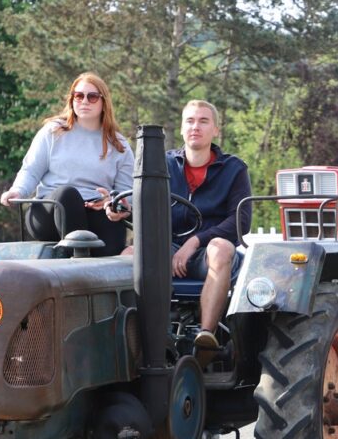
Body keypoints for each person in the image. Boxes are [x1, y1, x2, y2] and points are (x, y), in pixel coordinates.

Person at [97, 100, 251, 350]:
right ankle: (128, 341)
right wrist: (123, 209)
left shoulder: (234, 169)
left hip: (208, 255)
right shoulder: (163, 166)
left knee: (221, 248)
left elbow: (240, 222)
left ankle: (205, 338)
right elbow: (144, 206)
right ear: (181, 129)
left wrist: (195, 242)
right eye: (189, 121)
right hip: (167, 249)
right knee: (129, 255)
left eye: (203, 121)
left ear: (216, 130)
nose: (195, 127)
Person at [0, 72, 133, 255]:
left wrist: (112, 202)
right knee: (68, 194)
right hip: (50, 211)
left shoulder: (119, 144)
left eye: (92, 97)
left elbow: (127, 193)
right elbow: (31, 170)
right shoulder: (53, 132)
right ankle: (76, 261)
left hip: (95, 212)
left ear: (104, 102)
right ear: (71, 100)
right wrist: (18, 190)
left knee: (111, 225)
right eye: (78, 96)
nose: (84, 101)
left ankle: (100, 275)